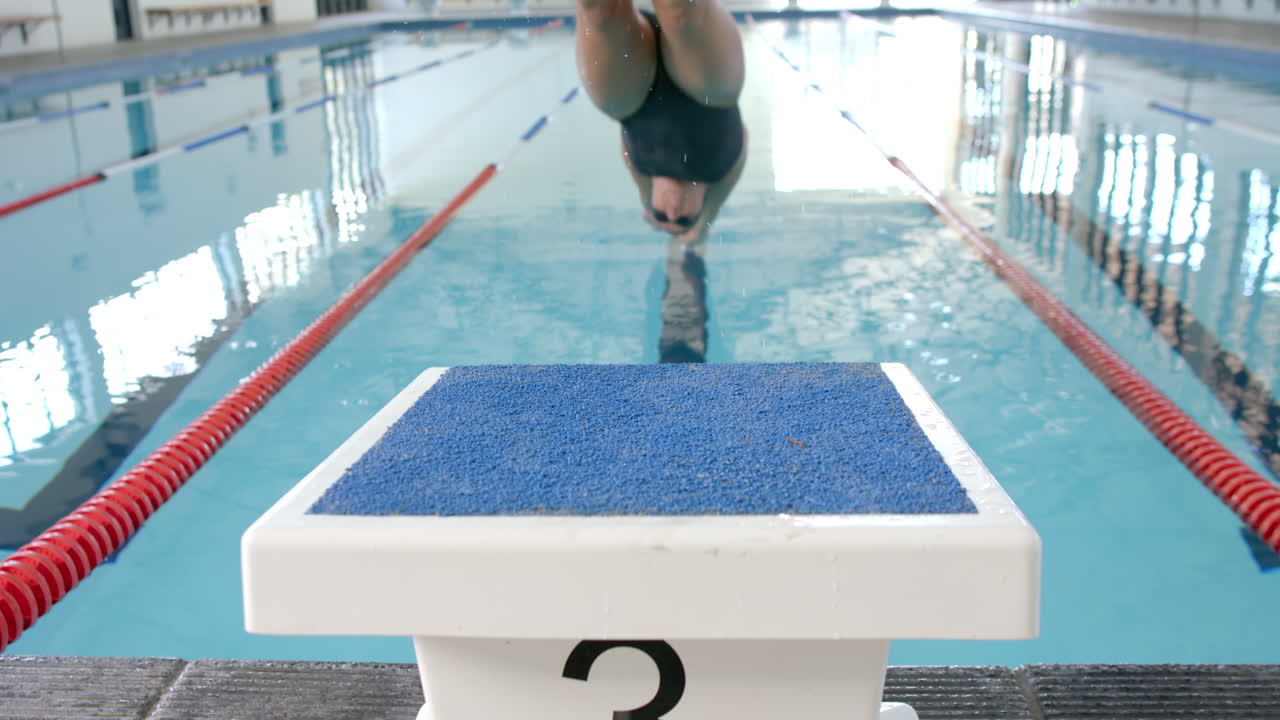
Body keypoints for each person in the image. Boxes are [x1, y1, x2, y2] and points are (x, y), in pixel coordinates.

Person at [574, 0, 748, 245]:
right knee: (682, 14)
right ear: (703, 204)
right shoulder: (721, 171)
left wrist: (646, 197)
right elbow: (744, 140)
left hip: (633, 94)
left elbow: (626, 147)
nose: (673, 212)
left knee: (599, 11)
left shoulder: (640, 166)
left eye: (661, 215)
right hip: (710, 89)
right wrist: (705, 224)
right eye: (685, 220)